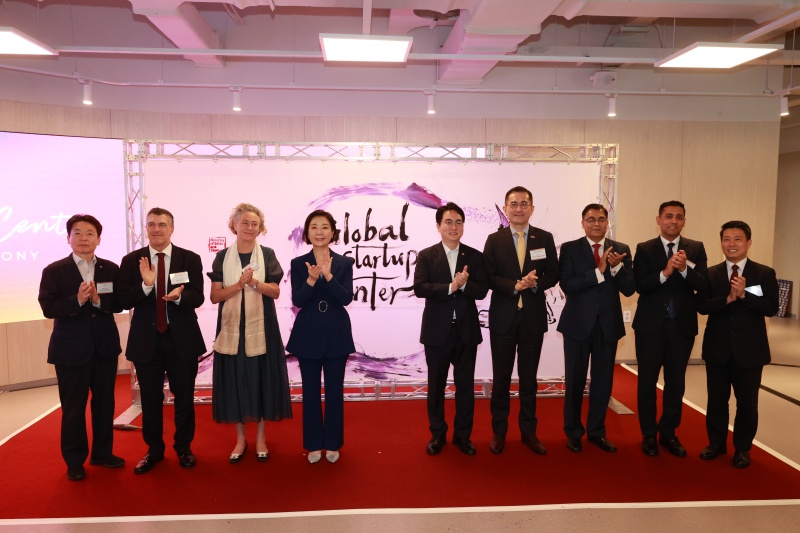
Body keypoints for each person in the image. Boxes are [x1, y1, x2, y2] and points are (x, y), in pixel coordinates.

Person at [117, 207, 206, 474]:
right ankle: (154, 450)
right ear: (146, 228)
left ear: (172, 228)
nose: (157, 229)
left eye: (162, 224)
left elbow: (198, 296)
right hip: (147, 341)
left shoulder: (189, 258)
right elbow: (122, 300)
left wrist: (178, 296)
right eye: (152, 224)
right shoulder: (132, 260)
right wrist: (146, 286)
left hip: (182, 341)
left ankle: (183, 448)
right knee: (151, 399)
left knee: (184, 399)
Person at [38, 214, 124, 481]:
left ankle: (102, 453)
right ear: (68, 238)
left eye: (89, 233)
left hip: (104, 349)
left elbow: (119, 303)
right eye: (77, 233)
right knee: (73, 408)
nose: (83, 238)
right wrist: (76, 300)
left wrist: (99, 301)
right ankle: (74, 461)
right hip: (70, 352)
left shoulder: (110, 269)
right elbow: (48, 308)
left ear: (98, 239)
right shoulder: (54, 271)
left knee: (104, 405)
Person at [208, 203, 292, 464]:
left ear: (261, 228)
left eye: (255, 223)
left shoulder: (267, 255)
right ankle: (241, 439)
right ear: (234, 225)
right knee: (236, 382)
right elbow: (214, 296)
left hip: (262, 326)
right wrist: (238, 284)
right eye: (244, 222)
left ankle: (261, 439)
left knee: (262, 380)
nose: (250, 227)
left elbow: (276, 292)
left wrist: (254, 282)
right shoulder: (222, 257)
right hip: (232, 329)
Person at [482, 186, 559, 455]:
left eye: (524, 203)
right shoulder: (494, 240)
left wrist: (534, 284)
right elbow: (488, 276)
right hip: (503, 318)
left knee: (529, 379)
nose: (518, 208)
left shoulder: (544, 238)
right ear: (505, 209)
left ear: (532, 208)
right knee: (501, 378)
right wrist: (516, 285)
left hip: (532, 319)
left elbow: (553, 273)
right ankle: (499, 432)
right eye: (513, 203)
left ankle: (528, 432)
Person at [696, 221, 779, 468]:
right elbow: (701, 306)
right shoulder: (711, 274)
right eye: (727, 239)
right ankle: (717, 444)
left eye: (737, 239)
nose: (731, 244)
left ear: (748, 243)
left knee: (747, 403)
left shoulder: (764, 273)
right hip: (717, 348)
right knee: (716, 400)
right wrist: (728, 299)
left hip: (750, 350)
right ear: (721, 243)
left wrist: (744, 295)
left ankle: (742, 449)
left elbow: (772, 308)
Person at [557, 204, 635, 453]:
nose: (596, 224)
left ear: (607, 222)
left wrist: (616, 267)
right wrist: (599, 271)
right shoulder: (570, 249)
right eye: (590, 219)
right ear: (582, 223)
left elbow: (629, 289)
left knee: (603, 382)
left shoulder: (621, 250)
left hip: (608, 326)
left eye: (601, 219)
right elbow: (568, 284)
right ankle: (573, 432)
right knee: (575, 381)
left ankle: (597, 432)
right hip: (577, 326)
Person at [632, 200, 707, 458]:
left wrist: (685, 270)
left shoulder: (695, 248)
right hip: (650, 327)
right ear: (658, 219)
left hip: (682, 327)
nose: (673, 221)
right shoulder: (645, 249)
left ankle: (669, 433)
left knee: (676, 383)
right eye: (668, 216)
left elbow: (703, 284)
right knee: (647, 383)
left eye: (678, 217)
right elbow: (640, 285)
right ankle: (649, 434)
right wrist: (665, 272)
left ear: (684, 220)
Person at [413, 202, 489, 456]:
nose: (453, 226)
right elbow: (420, 288)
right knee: (436, 387)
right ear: (438, 226)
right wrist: (451, 287)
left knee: (465, 387)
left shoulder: (474, 256)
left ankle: (462, 436)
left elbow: (482, 291)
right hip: (437, 333)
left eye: (458, 222)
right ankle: (437, 435)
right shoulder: (426, 255)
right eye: (448, 222)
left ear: (463, 226)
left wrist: (465, 286)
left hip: (466, 332)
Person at [286, 210, 355, 464]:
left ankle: (333, 443)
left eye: (324, 227)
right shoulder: (298, 263)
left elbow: (346, 298)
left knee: (335, 392)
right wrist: (312, 280)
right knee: (311, 392)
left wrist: (328, 275)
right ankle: (314, 444)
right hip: (308, 332)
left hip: (337, 332)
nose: (319, 232)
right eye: (314, 227)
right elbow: (298, 300)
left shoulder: (344, 263)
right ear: (307, 233)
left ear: (333, 232)